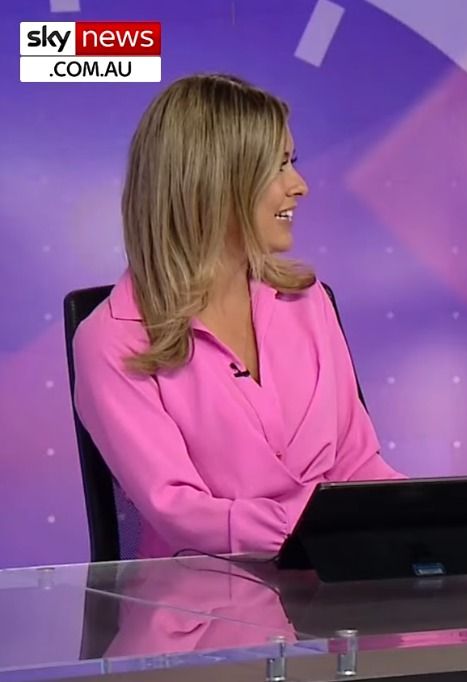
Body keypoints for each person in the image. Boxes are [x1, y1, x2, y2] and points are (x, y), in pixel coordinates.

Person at [72, 73, 403, 559]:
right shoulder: (112, 340)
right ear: (214, 183)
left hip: (332, 582)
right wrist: (318, 531)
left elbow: (356, 466)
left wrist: (426, 522)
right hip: (202, 596)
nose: (300, 186)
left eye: (292, 163)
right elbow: (181, 513)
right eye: (277, 167)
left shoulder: (308, 302)